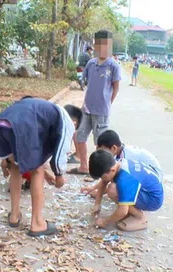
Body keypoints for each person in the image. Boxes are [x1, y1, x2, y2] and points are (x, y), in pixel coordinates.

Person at [0, 96, 82, 237]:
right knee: (37, 172)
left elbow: (32, 156)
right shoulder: (67, 122)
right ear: (75, 122)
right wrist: (59, 176)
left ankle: (14, 216)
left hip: (2, 121)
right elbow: (60, 153)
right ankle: (37, 223)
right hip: (22, 125)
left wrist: (5, 159)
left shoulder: (46, 114)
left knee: (16, 168)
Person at [68, 30, 121, 175]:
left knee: (101, 144)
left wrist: (108, 103)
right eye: (99, 44)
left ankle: (103, 172)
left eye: (106, 45)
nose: (102, 49)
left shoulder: (114, 66)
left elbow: (116, 88)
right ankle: (84, 166)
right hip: (87, 109)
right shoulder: (91, 64)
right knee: (79, 136)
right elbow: (84, 80)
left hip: (101, 111)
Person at [88, 150, 164, 231]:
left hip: (152, 199)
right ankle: (132, 210)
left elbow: (123, 211)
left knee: (112, 190)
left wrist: (104, 222)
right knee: (114, 187)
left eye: (102, 177)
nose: (102, 180)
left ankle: (140, 218)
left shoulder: (125, 180)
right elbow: (104, 181)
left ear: (112, 170)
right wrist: (97, 203)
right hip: (147, 189)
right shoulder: (117, 163)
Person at [81, 130, 163, 197]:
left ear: (113, 148)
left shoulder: (125, 158)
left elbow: (112, 179)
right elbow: (106, 178)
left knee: (114, 187)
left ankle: (134, 212)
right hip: (147, 176)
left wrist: (99, 193)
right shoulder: (119, 152)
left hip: (153, 182)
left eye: (103, 150)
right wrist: (93, 188)